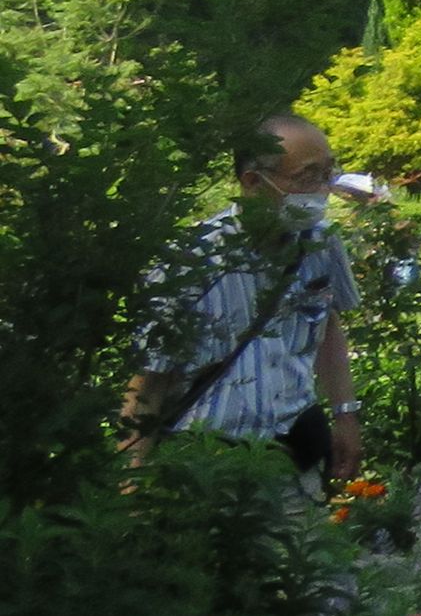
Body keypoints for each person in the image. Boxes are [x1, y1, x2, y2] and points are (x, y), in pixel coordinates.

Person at [123, 111, 363, 484]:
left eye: (327, 174)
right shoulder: (188, 261)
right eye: (307, 176)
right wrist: (131, 482)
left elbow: (328, 325)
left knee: (304, 542)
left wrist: (345, 414)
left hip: (293, 457)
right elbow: (148, 384)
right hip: (204, 463)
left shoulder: (322, 241)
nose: (322, 189)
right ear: (253, 181)